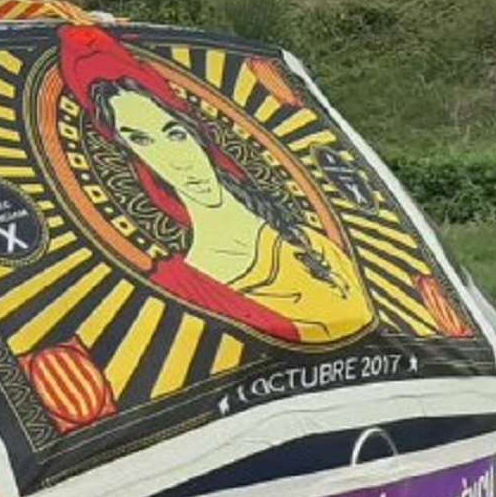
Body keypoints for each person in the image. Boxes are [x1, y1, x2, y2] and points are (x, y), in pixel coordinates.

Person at [58, 25, 370, 345]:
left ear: (195, 131)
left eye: (174, 133)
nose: (176, 160)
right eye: (142, 141)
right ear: (131, 154)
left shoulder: (304, 235)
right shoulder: (186, 281)